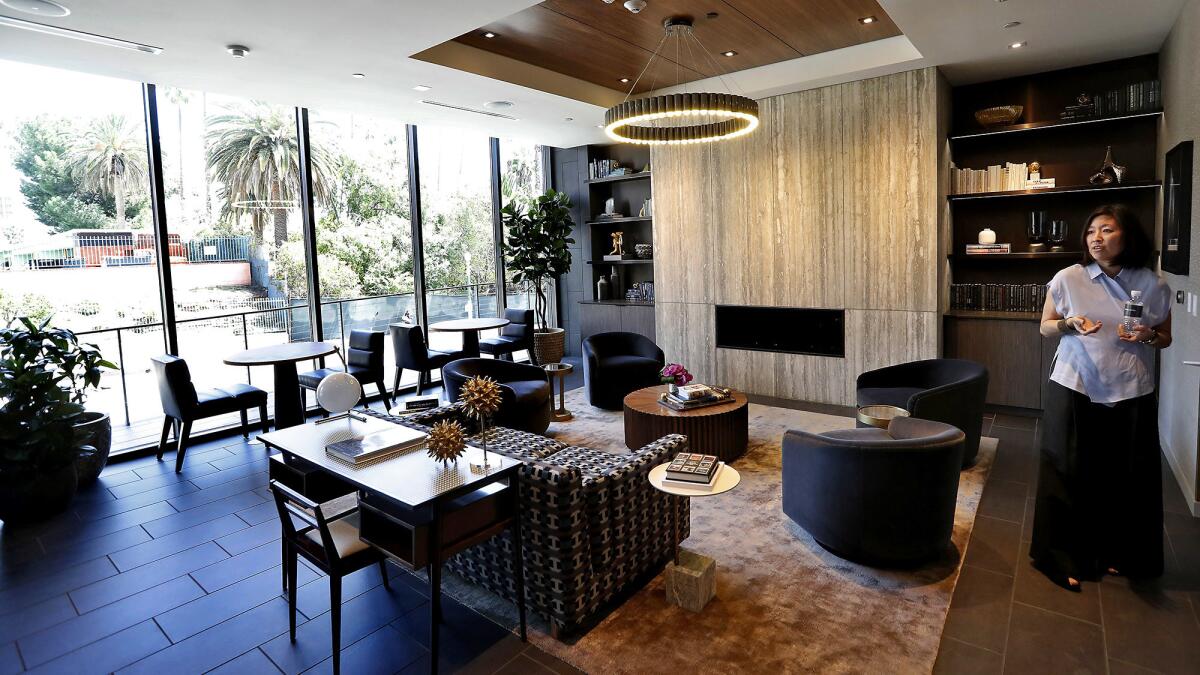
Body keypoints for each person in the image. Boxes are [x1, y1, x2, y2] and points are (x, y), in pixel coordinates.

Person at [1031, 204, 1173, 591]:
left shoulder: (1152, 284)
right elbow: (1046, 326)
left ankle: (1117, 553)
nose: (1096, 238)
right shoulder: (1069, 278)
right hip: (1074, 382)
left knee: (1123, 475)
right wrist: (1068, 324)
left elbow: (1164, 337)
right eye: (1092, 230)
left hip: (1130, 388)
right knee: (1065, 470)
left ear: (1127, 237)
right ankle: (1058, 558)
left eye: (1107, 230)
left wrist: (1147, 335)